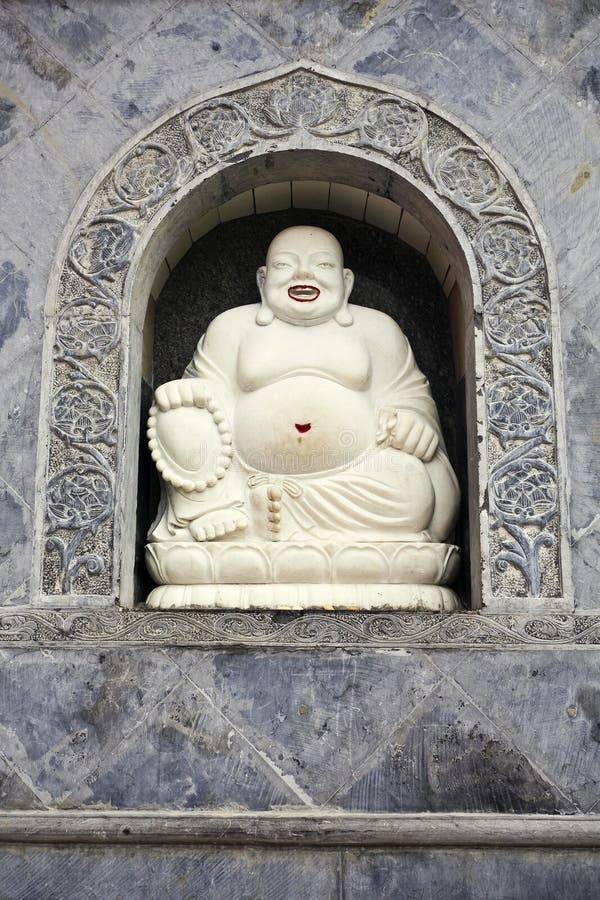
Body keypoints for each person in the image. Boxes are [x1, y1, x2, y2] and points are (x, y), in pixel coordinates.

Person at [146, 226, 459, 551]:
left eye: (323, 265)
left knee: (412, 487)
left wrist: (412, 422)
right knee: (176, 417)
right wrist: (183, 398)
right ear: (263, 280)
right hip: (241, 477)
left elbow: (409, 396)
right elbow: (206, 397)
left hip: (356, 476)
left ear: (346, 281)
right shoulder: (231, 327)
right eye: (285, 265)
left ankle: (267, 511)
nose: (304, 273)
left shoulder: (378, 330)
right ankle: (219, 510)